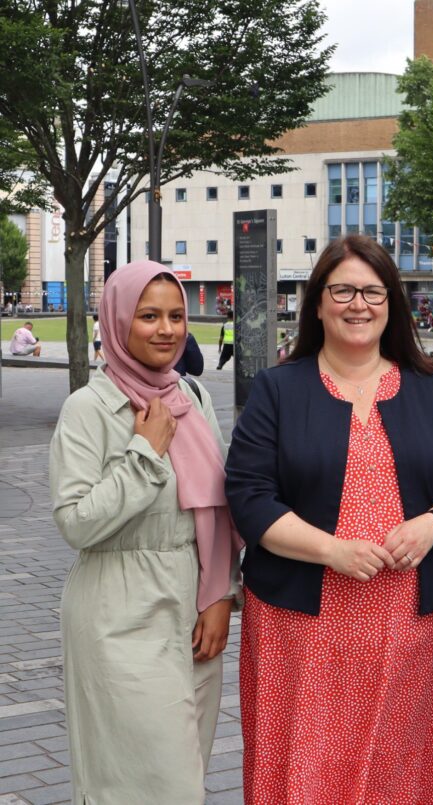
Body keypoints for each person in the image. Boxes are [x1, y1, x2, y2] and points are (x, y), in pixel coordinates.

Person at [225, 234, 433, 804]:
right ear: (317, 302)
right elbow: (248, 494)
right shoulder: (277, 389)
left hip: (409, 624)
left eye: (372, 291)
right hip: (301, 626)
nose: (358, 304)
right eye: (341, 290)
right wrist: (332, 550)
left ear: (391, 303)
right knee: (306, 766)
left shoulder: (432, 390)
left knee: (401, 768)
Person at [49, 261, 242, 804]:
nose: (167, 329)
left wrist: (222, 595)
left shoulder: (194, 398)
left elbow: (222, 508)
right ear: (117, 322)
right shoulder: (89, 408)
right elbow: (77, 522)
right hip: (120, 615)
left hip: (195, 616)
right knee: (152, 788)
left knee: (188, 777)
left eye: (176, 316)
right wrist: (144, 453)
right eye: (148, 315)